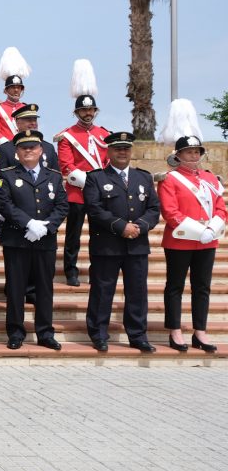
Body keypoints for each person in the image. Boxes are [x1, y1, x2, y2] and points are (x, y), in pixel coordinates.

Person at [81, 132, 160, 352]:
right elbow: (94, 209)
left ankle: (137, 335)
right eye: (117, 148)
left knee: (137, 292)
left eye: (126, 148)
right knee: (102, 291)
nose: (122, 152)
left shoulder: (143, 177)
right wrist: (120, 226)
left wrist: (140, 227)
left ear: (131, 151)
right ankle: (98, 334)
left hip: (137, 244)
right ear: (109, 151)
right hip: (107, 245)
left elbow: (154, 209)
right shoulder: (96, 178)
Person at [0, 131, 69, 351]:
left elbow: (62, 206)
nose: (28, 150)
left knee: (45, 289)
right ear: (17, 152)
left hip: (45, 241)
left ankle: (45, 333)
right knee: (16, 289)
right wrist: (29, 224)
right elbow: (5, 204)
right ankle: (16, 332)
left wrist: (45, 227)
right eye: (23, 147)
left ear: (41, 150)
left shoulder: (54, 176)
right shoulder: (6, 175)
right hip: (17, 240)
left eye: (33, 147)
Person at [158, 135, 225, 353]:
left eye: (197, 151)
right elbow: (170, 212)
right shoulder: (170, 179)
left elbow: (220, 207)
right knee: (175, 286)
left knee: (202, 288)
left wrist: (212, 229)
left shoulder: (210, 179)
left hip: (207, 241)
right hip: (180, 241)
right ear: (178, 155)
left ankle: (200, 332)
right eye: (189, 152)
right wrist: (198, 231)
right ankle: (175, 331)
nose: (194, 155)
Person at [55, 94, 109, 286]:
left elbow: (107, 162)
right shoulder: (67, 136)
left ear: (95, 111)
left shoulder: (104, 134)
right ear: (76, 112)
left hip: (101, 195)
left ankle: (98, 270)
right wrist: (93, 183)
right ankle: (71, 270)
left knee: (100, 235)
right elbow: (66, 165)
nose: (88, 113)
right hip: (77, 192)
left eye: (91, 109)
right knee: (73, 235)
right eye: (84, 110)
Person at [0, 76, 26, 146]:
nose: (16, 90)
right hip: (6, 149)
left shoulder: (26, 108)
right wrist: (7, 145)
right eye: (13, 87)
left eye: (19, 87)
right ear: (6, 90)